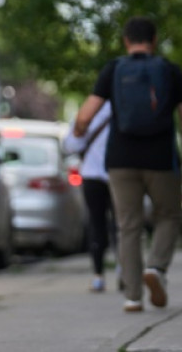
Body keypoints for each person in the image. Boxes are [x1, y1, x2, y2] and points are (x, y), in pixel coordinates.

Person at [75, 16, 182, 313]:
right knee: (169, 215)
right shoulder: (170, 71)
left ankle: (133, 297)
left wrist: (80, 130)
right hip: (160, 159)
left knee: (128, 226)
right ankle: (156, 267)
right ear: (154, 40)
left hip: (121, 160)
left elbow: (86, 115)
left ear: (126, 41)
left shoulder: (113, 69)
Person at [63, 101, 118, 293]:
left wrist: (79, 130)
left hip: (94, 175)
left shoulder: (88, 110)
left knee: (97, 224)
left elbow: (70, 144)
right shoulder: (122, 107)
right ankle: (121, 271)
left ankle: (98, 275)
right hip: (115, 175)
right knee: (121, 225)